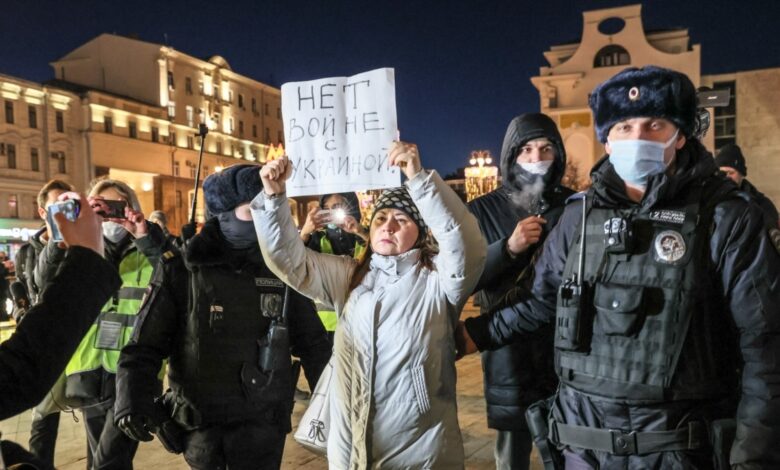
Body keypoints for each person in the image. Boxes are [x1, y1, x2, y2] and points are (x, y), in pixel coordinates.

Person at [458, 66, 780, 469]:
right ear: (607, 140)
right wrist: (468, 336)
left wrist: (754, 456)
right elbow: (540, 302)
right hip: (583, 443)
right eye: (624, 127)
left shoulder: (726, 217)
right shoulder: (579, 216)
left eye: (654, 124)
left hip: (679, 446)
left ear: (680, 135)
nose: (638, 138)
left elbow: (765, 346)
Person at [252, 142, 486, 469]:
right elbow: (288, 261)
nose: (388, 226)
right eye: (381, 218)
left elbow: (466, 244)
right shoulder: (349, 275)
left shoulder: (438, 282)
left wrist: (418, 180)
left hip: (419, 452)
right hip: (350, 449)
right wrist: (274, 198)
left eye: (401, 219)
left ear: (419, 233)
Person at [114, 164, 330, 470]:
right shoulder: (182, 269)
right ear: (223, 213)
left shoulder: (283, 270)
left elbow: (313, 343)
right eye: (249, 209)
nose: (259, 218)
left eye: (265, 207)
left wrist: (332, 400)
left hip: (264, 425)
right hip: (204, 426)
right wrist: (131, 400)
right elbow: (144, 345)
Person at [468, 113, 574, 470]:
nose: (536, 157)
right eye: (526, 149)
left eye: (545, 148)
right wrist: (508, 248)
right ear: (510, 156)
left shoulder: (576, 206)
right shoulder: (481, 210)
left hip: (565, 348)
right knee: (512, 453)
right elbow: (465, 279)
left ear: (558, 153)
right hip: (507, 350)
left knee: (568, 446)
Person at [0, 191, 121, 468]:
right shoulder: (33, 249)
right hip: (62, 349)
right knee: (44, 419)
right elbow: (19, 374)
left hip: (96, 360)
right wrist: (87, 257)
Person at [62, 178, 168, 470]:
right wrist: (72, 227)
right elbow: (48, 278)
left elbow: (175, 275)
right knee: (101, 458)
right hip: (89, 370)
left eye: (115, 207)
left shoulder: (151, 244)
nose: (108, 216)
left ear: (132, 209)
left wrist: (143, 235)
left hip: (134, 374)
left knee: (108, 461)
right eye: (100, 208)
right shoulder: (81, 250)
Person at [11, 179, 75, 467]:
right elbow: (26, 289)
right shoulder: (27, 251)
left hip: (81, 340)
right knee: (44, 417)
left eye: (69, 202)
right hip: (45, 343)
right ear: (42, 212)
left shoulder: (82, 245)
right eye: (57, 204)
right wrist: (20, 314)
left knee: (97, 416)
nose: (65, 209)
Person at [300, 191, 367, 340]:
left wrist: (360, 231)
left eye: (337, 207)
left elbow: (382, 255)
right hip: (327, 327)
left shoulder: (365, 235)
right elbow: (294, 261)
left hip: (363, 320)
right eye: (326, 208)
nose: (331, 213)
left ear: (352, 208)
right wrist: (305, 232)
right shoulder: (317, 239)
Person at [715, 143, 779, 229]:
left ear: (741, 174)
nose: (726, 177)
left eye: (731, 173)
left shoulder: (762, 205)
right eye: (721, 173)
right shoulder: (707, 201)